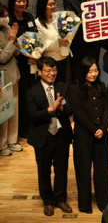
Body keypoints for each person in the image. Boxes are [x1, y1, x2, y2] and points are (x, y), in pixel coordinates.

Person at [27, 56, 74, 216]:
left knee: (61, 169)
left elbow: (70, 110)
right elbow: (33, 116)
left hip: (61, 134)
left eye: (54, 70)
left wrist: (60, 108)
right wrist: (50, 109)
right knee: (44, 171)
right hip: (43, 136)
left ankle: (61, 199)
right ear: (40, 71)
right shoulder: (32, 91)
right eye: (48, 70)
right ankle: (47, 201)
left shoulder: (63, 87)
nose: (52, 73)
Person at [69, 56, 108, 214]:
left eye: (95, 70)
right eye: (89, 71)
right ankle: (85, 204)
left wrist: (103, 127)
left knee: (102, 169)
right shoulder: (74, 88)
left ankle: (104, 202)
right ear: (83, 72)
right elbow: (78, 113)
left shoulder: (101, 85)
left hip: (101, 133)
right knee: (83, 169)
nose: (93, 74)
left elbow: (106, 108)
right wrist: (93, 130)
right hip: (83, 134)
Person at [8, 0, 36, 138]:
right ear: (13, 2)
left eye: (24, 0)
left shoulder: (29, 16)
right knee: (20, 97)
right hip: (17, 64)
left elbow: (35, 37)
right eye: (18, 0)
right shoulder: (9, 20)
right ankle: (21, 129)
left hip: (32, 62)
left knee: (31, 95)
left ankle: (31, 125)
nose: (21, 3)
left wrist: (35, 55)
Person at [62, 0, 104, 64]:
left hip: (94, 41)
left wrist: (94, 5)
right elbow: (72, 22)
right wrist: (88, 8)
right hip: (78, 42)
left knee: (94, 68)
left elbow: (102, 17)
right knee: (78, 69)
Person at [0, 2, 22, 156]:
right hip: (2, 77)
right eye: (3, 16)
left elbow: (18, 51)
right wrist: (11, 41)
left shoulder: (8, 28)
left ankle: (12, 140)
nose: (6, 19)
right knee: (4, 112)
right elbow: (2, 58)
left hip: (14, 74)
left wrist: (14, 40)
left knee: (14, 109)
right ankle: (2, 144)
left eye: (7, 16)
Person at [34, 0, 72, 82]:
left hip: (64, 57)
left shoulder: (59, 18)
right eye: (50, 5)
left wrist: (68, 41)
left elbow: (68, 35)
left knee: (64, 85)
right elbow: (42, 45)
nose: (53, 7)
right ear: (43, 6)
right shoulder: (37, 23)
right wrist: (58, 43)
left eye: (54, 4)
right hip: (49, 61)